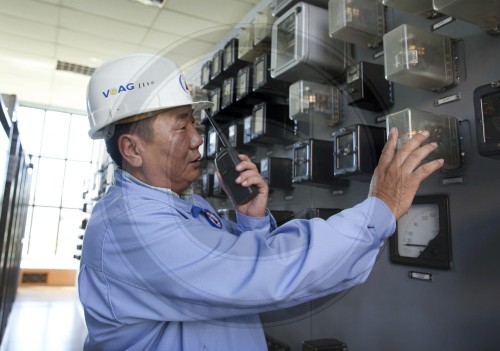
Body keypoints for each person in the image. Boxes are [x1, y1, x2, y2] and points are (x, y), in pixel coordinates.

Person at [78, 53, 444, 351]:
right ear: (132, 149)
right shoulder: (134, 229)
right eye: (180, 126)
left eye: (194, 124)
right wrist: (379, 208)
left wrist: (251, 222)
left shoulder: (185, 205)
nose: (197, 140)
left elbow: (234, 277)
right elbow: (264, 273)